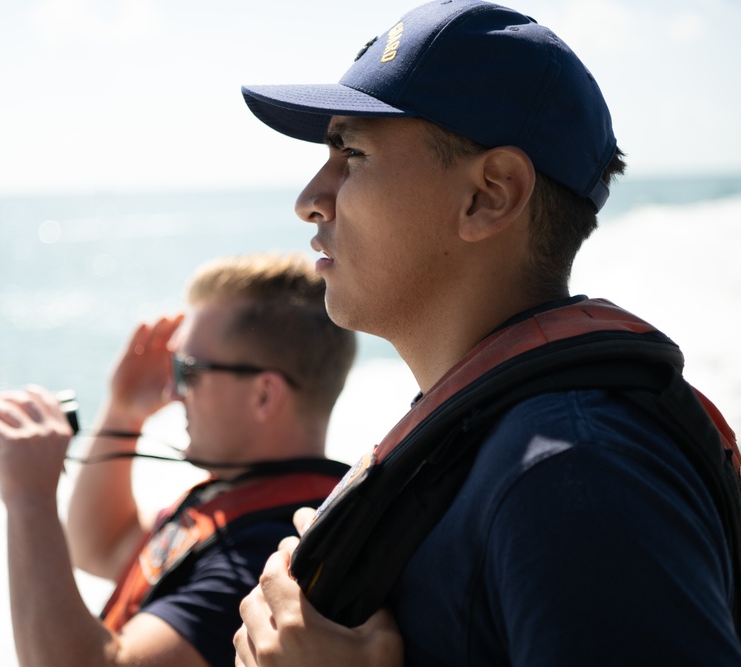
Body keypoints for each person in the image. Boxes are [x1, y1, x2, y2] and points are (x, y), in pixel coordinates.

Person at [233, 1, 741, 665]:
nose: (310, 197)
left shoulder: (573, 471)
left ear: (491, 193)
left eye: (352, 153)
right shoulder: (505, 448)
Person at [0, 252, 356, 667]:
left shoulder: (267, 562)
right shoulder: (241, 500)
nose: (172, 392)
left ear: (264, 396)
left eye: (189, 371)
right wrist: (123, 410)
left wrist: (29, 499)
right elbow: (99, 545)